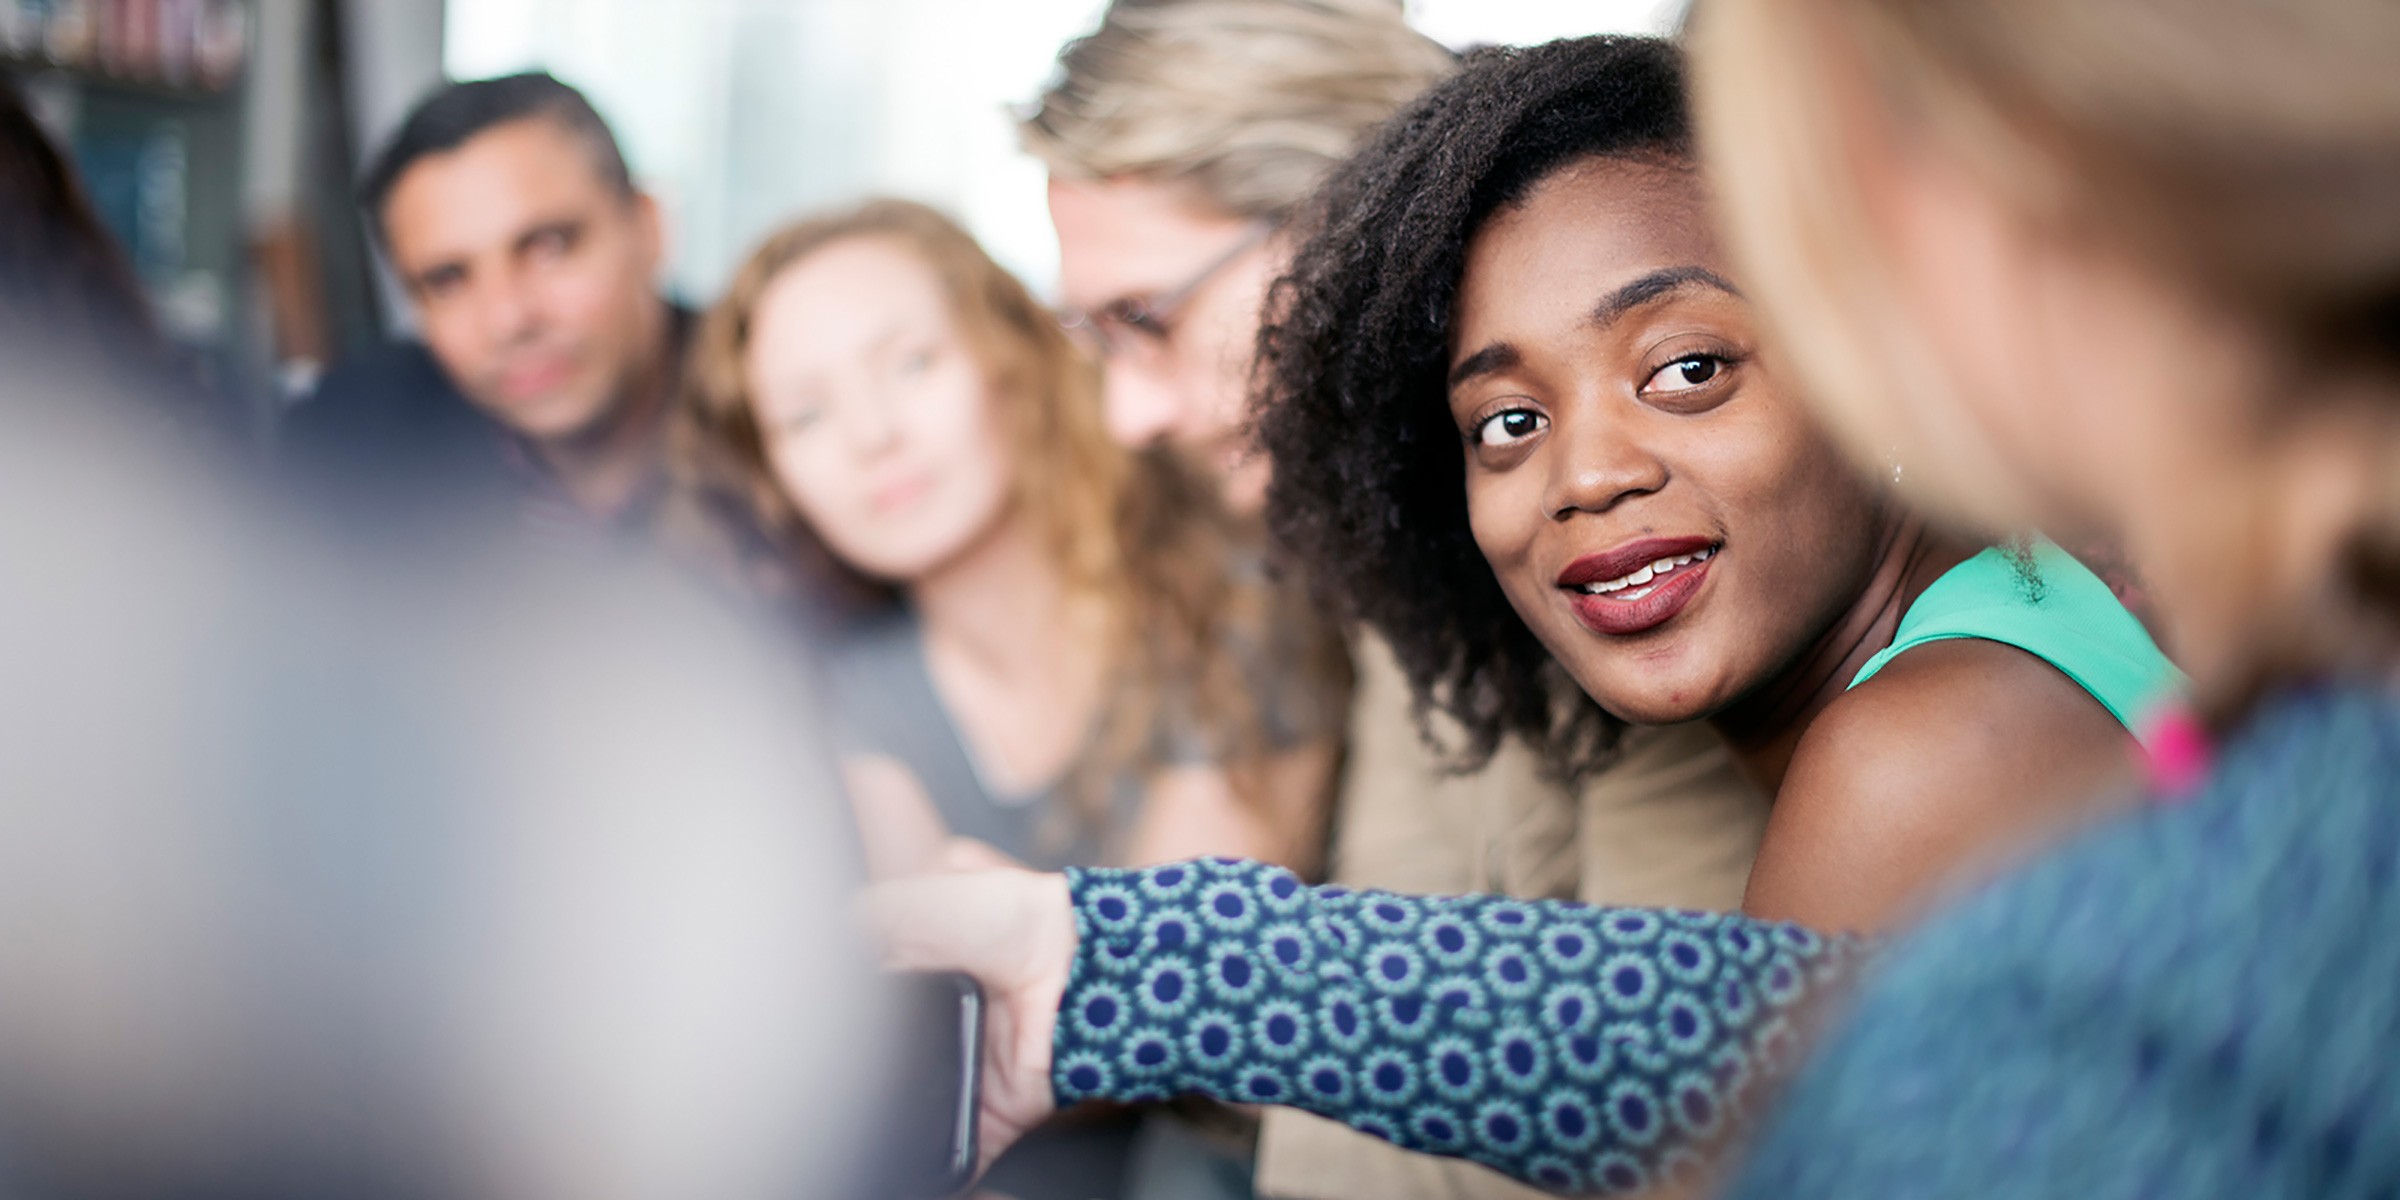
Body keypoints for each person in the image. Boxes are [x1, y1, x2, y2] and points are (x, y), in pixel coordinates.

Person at [870, 32, 2196, 1194]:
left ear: (1859, 347)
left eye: (1687, 369)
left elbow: (1700, 1130)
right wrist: (1130, 969)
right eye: (1507, 422)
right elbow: (1678, 1044)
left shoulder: (1919, 752)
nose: (1590, 471)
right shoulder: (1973, 647)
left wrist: (1143, 975)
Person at [1026, 13, 1774, 1192]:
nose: (1132, 415)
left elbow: (1683, 1101)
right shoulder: (1394, 554)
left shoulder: (1637, 568)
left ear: (1349, 210)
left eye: (1147, 321)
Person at [672, 199, 1348, 1196]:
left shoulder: (1229, 592)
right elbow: (933, 1045)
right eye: (804, 415)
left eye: (910, 364)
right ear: (776, 474)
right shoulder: (854, 689)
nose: (872, 436)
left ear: (1011, 357)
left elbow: (1174, 998)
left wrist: (1005, 939)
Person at [282, 72, 686, 536]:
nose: (508, 320)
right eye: (448, 280)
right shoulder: (348, 441)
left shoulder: (768, 413)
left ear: (649, 229)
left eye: (548, 248)